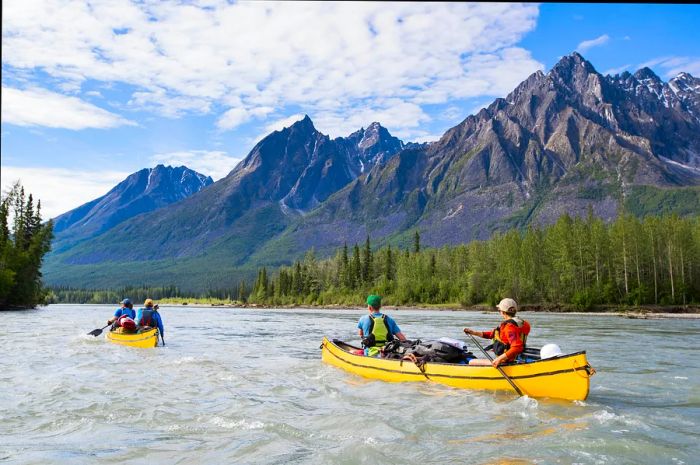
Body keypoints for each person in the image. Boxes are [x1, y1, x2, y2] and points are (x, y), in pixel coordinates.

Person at [463, 298, 530, 367]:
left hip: (506, 361)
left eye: (499, 310)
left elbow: (517, 347)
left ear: (503, 312)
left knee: (471, 361)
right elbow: (492, 334)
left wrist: (499, 359)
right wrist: (474, 332)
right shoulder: (524, 324)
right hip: (516, 359)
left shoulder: (509, 327)